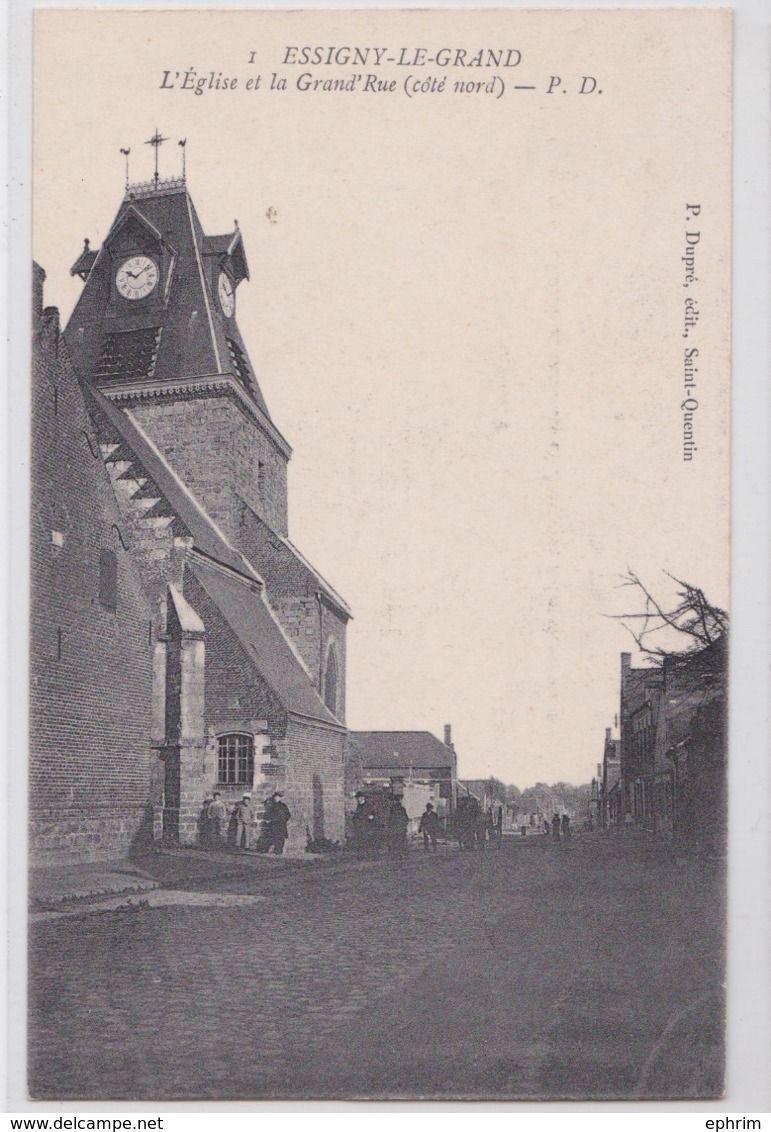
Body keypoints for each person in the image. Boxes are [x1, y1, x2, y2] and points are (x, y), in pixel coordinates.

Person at [352, 791, 378, 858]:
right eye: (357, 798)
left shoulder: (368, 805)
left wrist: (365, 818)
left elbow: (372, 816)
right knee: (361, 841)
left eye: (360, 798)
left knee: (368, 841)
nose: (358, 799)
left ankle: (371, 855)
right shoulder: (359, 806)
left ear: (363, 798)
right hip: (360, 826)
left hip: (366, 826)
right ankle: (363, 855)